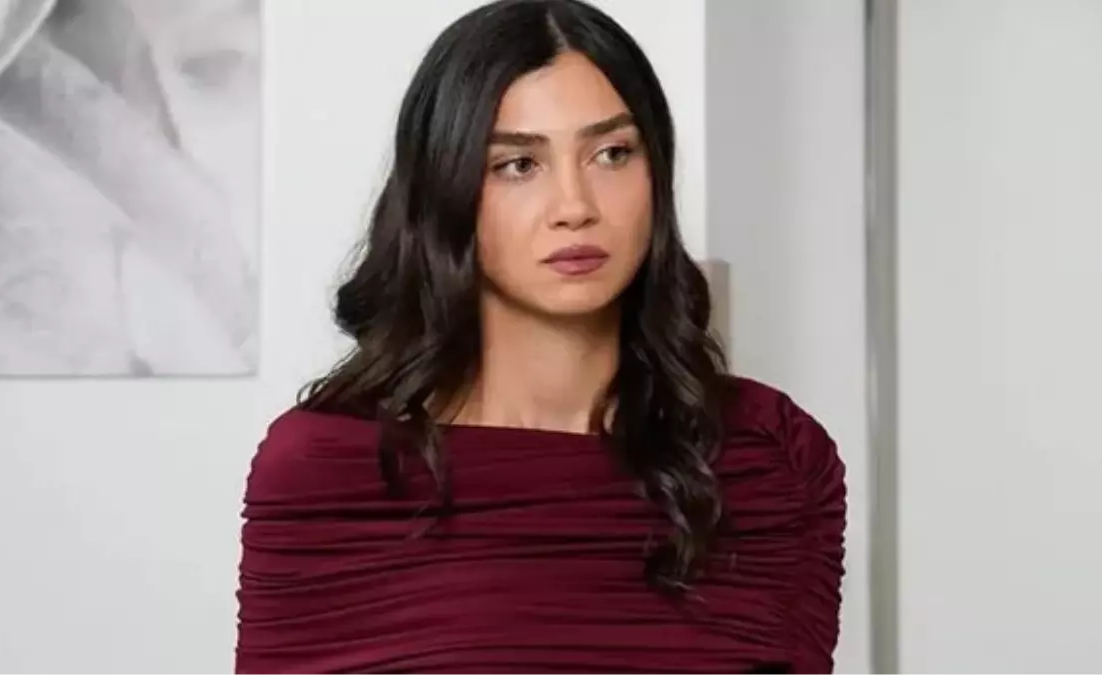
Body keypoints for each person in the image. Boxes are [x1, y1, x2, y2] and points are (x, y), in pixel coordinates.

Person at [235, 0, 846, 672]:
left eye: (612, 154)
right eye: (519, 164)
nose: (575, 206)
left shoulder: (772, 459)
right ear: (446, 189)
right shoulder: (326, 471)